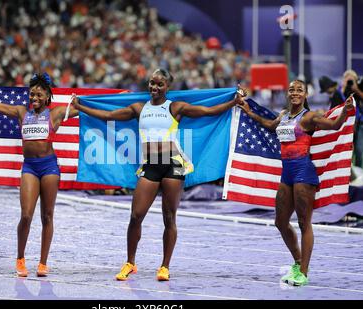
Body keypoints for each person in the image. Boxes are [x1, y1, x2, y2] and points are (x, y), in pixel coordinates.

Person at [72, 68, 246, 281]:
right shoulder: (139, 108)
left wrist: (233, 102)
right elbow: (109, 115)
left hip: (173, 164)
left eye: (159, 84)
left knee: (169, 217)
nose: (154, 87)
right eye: (152, 83)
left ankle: (164, 266)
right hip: (150, 165)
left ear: (167, 87)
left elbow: (208, 111)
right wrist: (80, 106)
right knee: (136, 216)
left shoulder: (175, 107)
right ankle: (130, 262)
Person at [0, 73, 79, 277]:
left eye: (39, 94)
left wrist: (87, 101)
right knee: (26, 215)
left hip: (49, 168)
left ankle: (42, 263)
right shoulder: (22, 112)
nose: (34, 98)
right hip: (30, 167)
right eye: (32, 94)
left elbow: (86, 108)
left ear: (48, 96)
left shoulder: (55, 114)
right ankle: (20, 258)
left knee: (47, 216)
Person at [237, 80, 354, 286]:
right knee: (280, 222)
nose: (295, 93)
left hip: (303, 172)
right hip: (287, 174)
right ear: (288, 93)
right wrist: (248, 111)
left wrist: (345, 110)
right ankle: (298, 262)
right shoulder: (283, 116)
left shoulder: (308, 117)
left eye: (299, 90)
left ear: (306, 94)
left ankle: (304, 273)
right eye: (292, 89)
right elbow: (269, 125)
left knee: (303, 222)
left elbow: (334, 125)